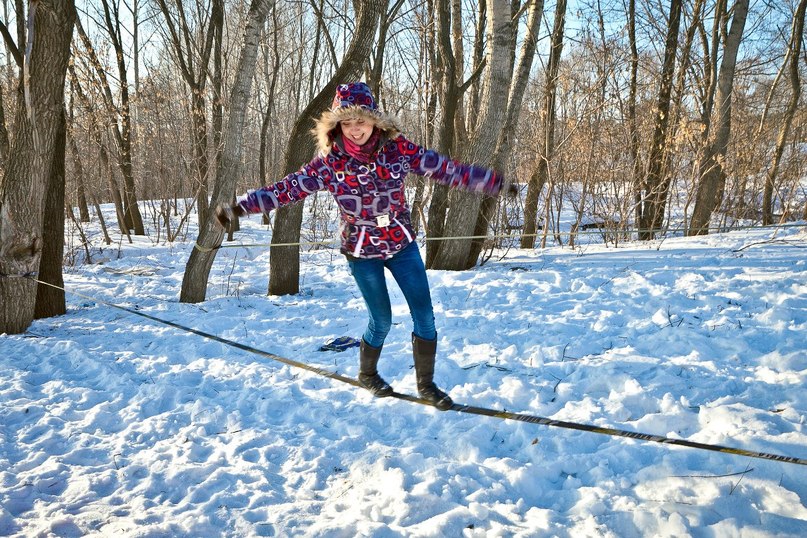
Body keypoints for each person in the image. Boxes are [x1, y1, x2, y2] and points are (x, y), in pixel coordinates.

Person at [215, 82, 506, 410]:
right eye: (348, 123)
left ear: (375, 122)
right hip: (361, 251)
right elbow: (287, 189)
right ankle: (368, 374)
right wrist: (240, 207)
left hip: (402, 246)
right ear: (337, 126)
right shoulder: (329, 164)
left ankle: (426, 385)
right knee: (380, 321)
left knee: (424, 315)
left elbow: (445, 169)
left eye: (362, 122)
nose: (355, 130)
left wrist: (491, 182)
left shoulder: (399, 151)